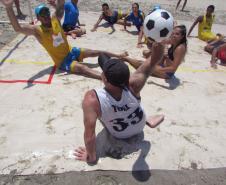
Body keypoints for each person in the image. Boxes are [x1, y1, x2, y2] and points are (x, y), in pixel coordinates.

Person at [74, 42, 165, 164]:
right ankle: (148, 120)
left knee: (97, 113)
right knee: (133, 104)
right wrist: (159, 43)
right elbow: (155, 59)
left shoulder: (92, 99)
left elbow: (90, 136)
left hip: (120, 135)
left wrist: (91, 157)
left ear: (104, 78)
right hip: (139, 127)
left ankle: (140, 118)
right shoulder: (134, 83)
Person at [1, 0, 127, 80]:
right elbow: (17, 28)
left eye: (46, 13)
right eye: (42, 15)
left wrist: (56, 3)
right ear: (38, 18)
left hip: (71, 51)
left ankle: (118, 55)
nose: (46, 16)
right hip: (62, 61)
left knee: (96, 52)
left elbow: (61, 3)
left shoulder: (55, 18)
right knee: (83, 69)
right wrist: (8, 8)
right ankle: (106, 79)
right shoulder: (37, 31)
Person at [122, 25, 187, 79]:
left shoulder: (180, 48)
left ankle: (126, 58)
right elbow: (163, 41)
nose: (173, 35)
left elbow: (173, 68)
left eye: (177, 34)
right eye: (173, 33)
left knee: (143, 64)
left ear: (182, 36)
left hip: (166, 72)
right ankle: (150, 58)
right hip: (163, 61)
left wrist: (158, 70)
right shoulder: (174, 40)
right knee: (145, 53)